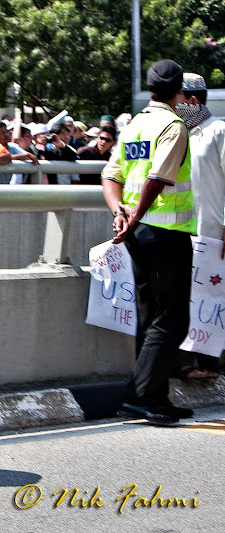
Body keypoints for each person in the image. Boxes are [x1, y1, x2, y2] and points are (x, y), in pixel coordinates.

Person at [102, 59, 197, 425]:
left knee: (150, 314)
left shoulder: (134, 125)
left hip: (138, 234)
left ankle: (155, 396)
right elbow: (157, 180)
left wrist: (119, 214)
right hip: (165, 232)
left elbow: (111, 176)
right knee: (173, 318)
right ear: (180, 93)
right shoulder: (174, 125)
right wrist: (134, 216)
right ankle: (139, 396)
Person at [174, 72, 224, 379]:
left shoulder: (218, 131)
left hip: (213, 231)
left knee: (212, 299)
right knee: (183, 297)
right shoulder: (176, 133)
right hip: (181, 231)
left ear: (192, 100)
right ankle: (184, 363)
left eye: (179, 99)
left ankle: (209, 363)